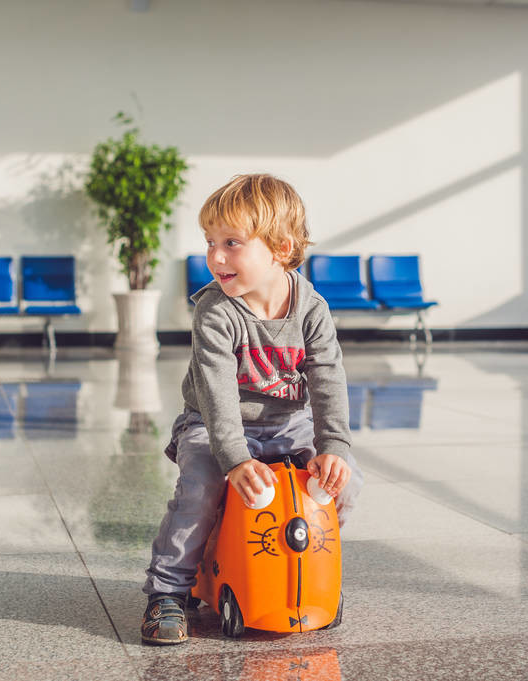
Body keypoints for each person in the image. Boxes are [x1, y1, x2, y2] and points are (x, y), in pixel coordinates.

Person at [141, 173, 364, 645]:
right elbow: (218, 393)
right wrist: (236, 459)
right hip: (212, 423)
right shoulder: (216, 311)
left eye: (231, 243)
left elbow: (328, 377)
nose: (215, 257)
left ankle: (310, 570)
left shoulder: (312, 309)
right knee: (201, 486)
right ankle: (168, 591)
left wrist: (334, 447)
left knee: (343, 484)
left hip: (288, 425)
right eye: (210, 242)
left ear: (280, 248)